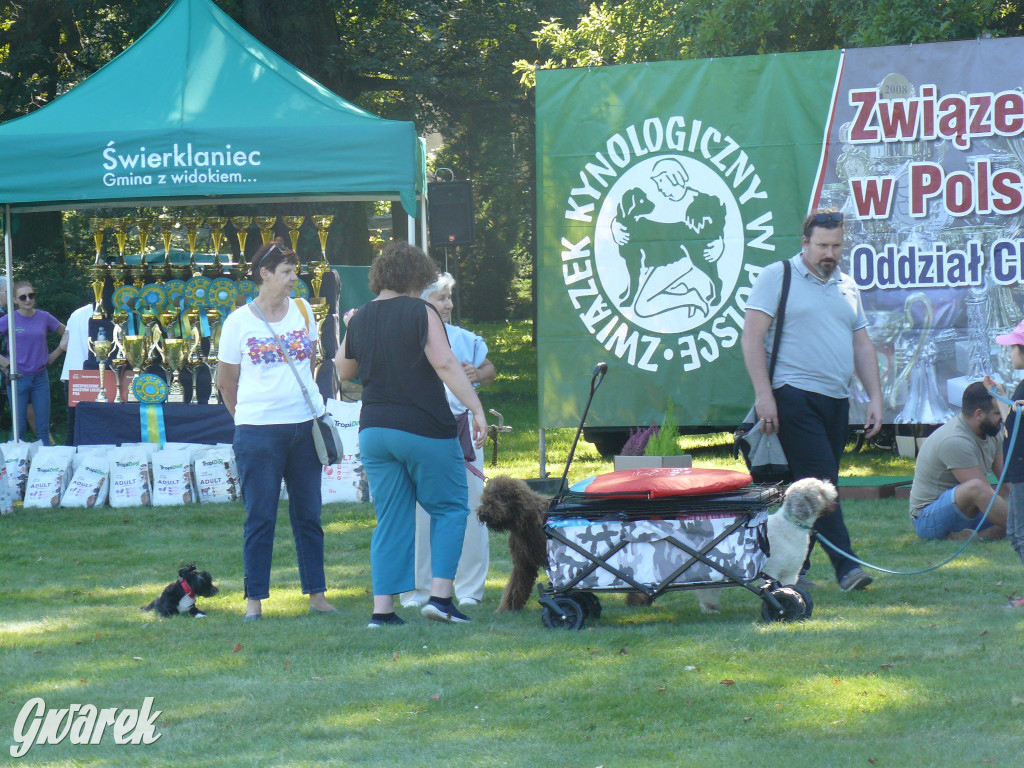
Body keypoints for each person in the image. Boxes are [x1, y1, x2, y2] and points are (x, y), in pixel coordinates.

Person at [336, 242, 486, 628]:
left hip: (374, 430)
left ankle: (382, 611)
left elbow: (343, 370)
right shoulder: (422, 310)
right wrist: (476, 408)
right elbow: (445, 362)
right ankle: (439, 597)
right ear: (417, 277)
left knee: (391, 519)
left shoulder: (361, 316)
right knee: (450, 508)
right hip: (423, 427)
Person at [741, 209, 882, 591]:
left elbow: (862, 345)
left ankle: (792, 573)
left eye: (836, 246)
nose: (829, 253)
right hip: (792, 395)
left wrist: (875, 398)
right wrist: (763, 396)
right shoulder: (777, 276)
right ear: (805, 243)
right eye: (822, 245)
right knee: (822, 485)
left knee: (810, 489)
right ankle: (847, 568)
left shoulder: (848, 286)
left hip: (836, 400)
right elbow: (752, 339)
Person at [217, 239, 337, 621]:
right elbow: (226, 382)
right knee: (260, 515)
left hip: (306, 428)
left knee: (309, 515)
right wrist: (246, 421)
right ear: (264, 274)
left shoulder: (303, 310)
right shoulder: (238, 321)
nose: (293, 279)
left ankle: (317, 596)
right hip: (258, 433)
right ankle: (255, 602)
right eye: (286, 272)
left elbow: (312, 361)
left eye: (294, 271)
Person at [400, 272, 496, 609]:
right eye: (441, 297)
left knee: (471, 507)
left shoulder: (464, 337)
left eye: (450, 296)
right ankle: (419, 590)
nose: (449, 304)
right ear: (419, 299)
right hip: (419, 428)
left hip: (461, 429)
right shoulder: (405, 335)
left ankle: (470, 590)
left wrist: (477, 374)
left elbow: (489, 368)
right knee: (418, 510)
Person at [909, 382, 1008, 542]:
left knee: (1010, 514)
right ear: (979, 414)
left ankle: (974, 537)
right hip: (927, 518)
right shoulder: (955, 440)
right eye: (998, 413)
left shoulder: (993, 431)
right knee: (977, 487)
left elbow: (1007, 478)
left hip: (968, 511)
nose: (1002, 418)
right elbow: (984, 495)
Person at [0, 281, 67, 444]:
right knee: (19, 429)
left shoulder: (44, 317)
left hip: (40, 378)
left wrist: (57, 351)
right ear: (15, 300)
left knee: (43, 428)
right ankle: (16, 467)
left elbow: (67, 333)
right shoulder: (9, 319)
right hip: (17, 378)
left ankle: (45, 466)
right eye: (23, 297)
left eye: (31, 295)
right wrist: (5, 364)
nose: (28, 300)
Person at [987, 321, 1024, 606]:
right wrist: (1000, 394)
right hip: (1018, 472)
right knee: (1014, 533)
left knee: (1021, 536)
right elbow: (1012, 424)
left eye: (1013, 347)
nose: (1010, 352)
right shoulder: (1020, 387)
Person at [60, 302, 94, 445]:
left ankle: (69, 458)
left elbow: (64, 344)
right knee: (93, 424)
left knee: (72, 425)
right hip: (92, 375)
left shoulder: (76, 313)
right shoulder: (108, 314)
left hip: (72, 374)